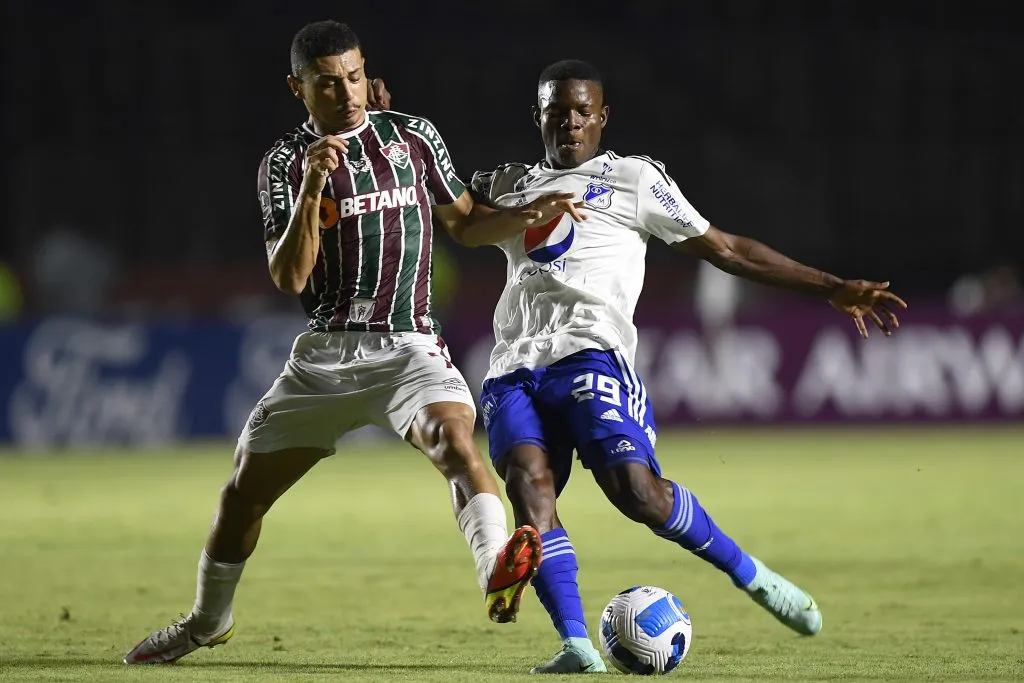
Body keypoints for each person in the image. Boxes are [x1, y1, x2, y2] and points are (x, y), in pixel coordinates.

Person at [122, 21, 582, 665]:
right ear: (299, 88)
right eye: (329, 84)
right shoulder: (284, 165)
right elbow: (290, 276)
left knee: (453, 442)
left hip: (408, 344)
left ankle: (496, 573)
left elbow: (467, 225)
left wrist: (530, 213)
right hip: (326, 359)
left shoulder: (412, 137)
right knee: (242, 497)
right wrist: (313, 186)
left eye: (356, 76)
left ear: (368, 71)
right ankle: (206, 620)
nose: (348, 93)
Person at [463, 59, 908, 673]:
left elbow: (725, 247)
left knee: (637, 494)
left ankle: (752, 576)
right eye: (556, 111)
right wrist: (387, 122)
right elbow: (439, 197)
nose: (570, 122)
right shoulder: (512, 184)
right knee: (530, 494)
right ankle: (577, 647)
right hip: (512, 367)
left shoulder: (633, 179)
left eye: (582, 111)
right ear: (536, 116)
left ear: (603, 117)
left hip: (592, 355)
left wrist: (828, 286)